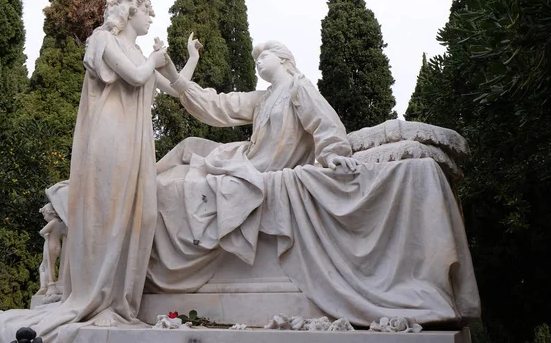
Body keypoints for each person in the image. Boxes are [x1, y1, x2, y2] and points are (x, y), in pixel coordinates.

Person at [146, 41, 480, 326]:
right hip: (244, 161)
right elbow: (218, 106)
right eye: (255, 58)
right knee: (184, 161)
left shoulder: (298, 87)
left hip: (263, 169)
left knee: (187, 186)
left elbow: (323, 122)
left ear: (284, 59)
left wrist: (332, 153)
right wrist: (176, 72)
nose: (258, 61)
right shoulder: (263, 99)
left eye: (264, 55)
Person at [0, 0, 201, 343]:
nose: (151, 20)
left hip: (137, 141)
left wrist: (189, 58)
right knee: (107, 212)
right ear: (130, 13)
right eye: (148, 14)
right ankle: (98, 299)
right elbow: (137, 77)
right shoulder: (103, 39)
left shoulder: (141, 53)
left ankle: (118, 300)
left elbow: (174, 89)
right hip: (111, 134)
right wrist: (154, 59)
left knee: (142, 214)